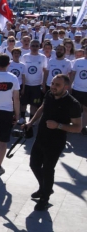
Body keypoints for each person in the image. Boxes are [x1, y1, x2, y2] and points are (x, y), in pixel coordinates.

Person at [23, 74, 82, 211]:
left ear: (66, 87)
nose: (53, 87)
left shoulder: (73, 104)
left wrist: (58, 126)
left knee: (48, 170)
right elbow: (42, 108)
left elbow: (78, 127)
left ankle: (44, 198)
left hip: (56, 142)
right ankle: (45, 188)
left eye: (57, 85)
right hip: (41, 137)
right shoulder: (49, 94)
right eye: (53, 83)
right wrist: (31, 122)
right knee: (34, 165)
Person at [21, 39, 47, 124]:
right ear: (30, 46)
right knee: (23, 103)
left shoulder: (43, 57)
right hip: (26, 84)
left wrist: (43, 84)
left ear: (39, 47)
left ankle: (31, 120)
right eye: (33, 46)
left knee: (34, 104)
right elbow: (22, 71)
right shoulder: (25, 56)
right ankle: (22, 118)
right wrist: (23, 85)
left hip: (37, 84)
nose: (35, 47)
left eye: (37, 46)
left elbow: (45, 71)